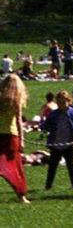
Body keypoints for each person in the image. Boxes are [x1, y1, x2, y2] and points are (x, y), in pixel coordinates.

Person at [41, 90, 73, 192]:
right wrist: (42, 126)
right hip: (56, 144)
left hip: (69, 144)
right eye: (59, 103)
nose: (61, 105)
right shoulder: (54, 114)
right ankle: (48, 186)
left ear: (68, 101)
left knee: (71, 165)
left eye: (63, 102)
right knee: (52, 166)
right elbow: (47, 124)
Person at [0, 74, 29, 203]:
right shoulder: (16, 101)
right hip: (12, 136)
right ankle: (21, 194)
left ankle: (21, 194)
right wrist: (22, 140)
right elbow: (18, 121)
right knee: (15, 168)